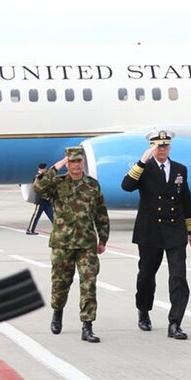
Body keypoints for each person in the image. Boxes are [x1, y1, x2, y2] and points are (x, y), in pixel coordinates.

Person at [121, 130, 191, 340]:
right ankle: (144, 310)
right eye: (158, 146)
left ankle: (175, 322)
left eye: (165, 146)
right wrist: (143, 160)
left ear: (170, 148)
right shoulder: (143, 168)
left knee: (178, 277)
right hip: (150, 231)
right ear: (152, 148)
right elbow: (126, 186)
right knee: (146, 276)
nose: (162, 149)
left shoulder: (180, 169)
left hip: (175, 231)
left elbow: (186, 200)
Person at [34, 146, 110, 343]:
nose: (76, 165)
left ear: (83, 162)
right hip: (62, 243)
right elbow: (39, 188)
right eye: (72, 161)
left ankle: (87, 326)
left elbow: (101, 212)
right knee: (60, 283)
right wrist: (56, 167)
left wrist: (103, 238)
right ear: (67, 163)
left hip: (86, 243)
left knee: (89, 284)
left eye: (78, 161)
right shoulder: (57, 184)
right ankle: (57, 312)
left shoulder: (92, 185)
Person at [26, 163, 54, 235]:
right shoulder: (38, 177)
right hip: (40, 200)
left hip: (47, 201)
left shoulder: (44, 176)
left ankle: (58, 231)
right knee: (36, 216)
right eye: (45, 169)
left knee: (53, 216)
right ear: (43, 169)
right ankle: (30, 230)